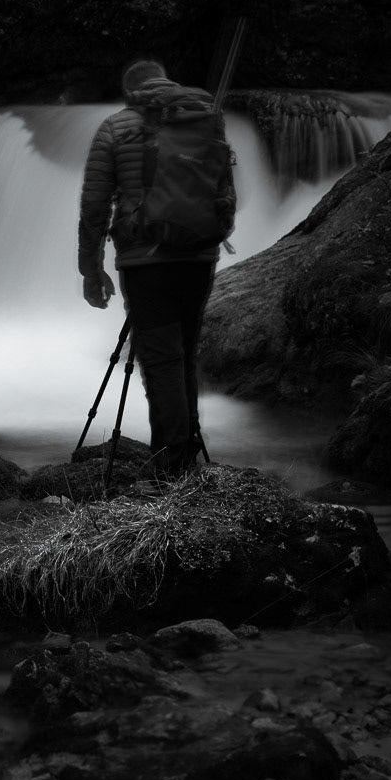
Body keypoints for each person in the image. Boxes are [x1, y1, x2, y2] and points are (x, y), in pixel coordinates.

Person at [76, 58, 237, 476]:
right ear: (167, 81)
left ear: (130, 91)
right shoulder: (204, 119)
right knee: (182, 357)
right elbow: (225, 192)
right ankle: (186, 455)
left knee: (161, 361)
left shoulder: (116, 127)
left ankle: (171, 469)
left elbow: (94, 206)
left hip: (145, 262)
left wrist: (90, 270)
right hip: (199, 258)